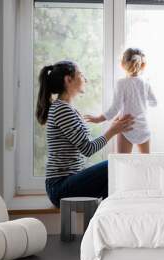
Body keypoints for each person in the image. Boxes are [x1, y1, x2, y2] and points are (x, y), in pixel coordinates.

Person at [36, 60, 134, 208]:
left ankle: (109, 221)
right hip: (60, 187)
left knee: (114, 185)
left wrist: (112, 126)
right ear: (68, 80)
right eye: (81, 75)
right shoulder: (62, 109)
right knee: (114, 164)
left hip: (67, 182)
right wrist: (113, 130)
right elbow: (88, 149)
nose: (85, 79)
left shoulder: (66, 108)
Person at [85, 48, 157, 153]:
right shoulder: (146, 82)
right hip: (143, 128)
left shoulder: (121, 83)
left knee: (122, 165)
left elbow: (115, 108)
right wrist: (141, 104)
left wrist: (98, 119)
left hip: (126, 127)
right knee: (146, 165)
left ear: (123, 64)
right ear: (142, 64)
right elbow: (154, 102)